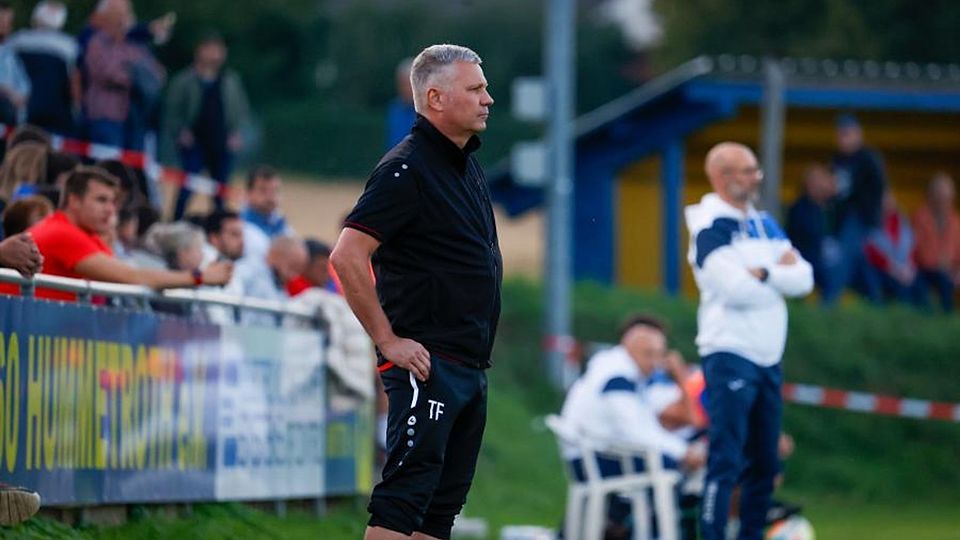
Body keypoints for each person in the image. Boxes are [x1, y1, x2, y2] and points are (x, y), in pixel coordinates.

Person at [330, 44, 499, 540]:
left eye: (484, 87)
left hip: (469, 365)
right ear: (436, 97)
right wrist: (388, 341)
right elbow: (347, 255)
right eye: (475, 89)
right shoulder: (406, 167)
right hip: (428, 362)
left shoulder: (466, 163)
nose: (488, 99)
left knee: (439, 511)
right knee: (402, 504)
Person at [684, 142, 813, 540]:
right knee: (726, 458)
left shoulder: (763, 223)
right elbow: (733, 288)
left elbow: (805, 278)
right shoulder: (710, 225)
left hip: (768, 355)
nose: (756, 177)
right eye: (747, 170)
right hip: (730, 353)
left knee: (766, 461)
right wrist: (778, 275)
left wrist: (765, 273)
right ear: (722, 176)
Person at [559, 315, 706, 539]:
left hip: (596, 453)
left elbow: (645, 425)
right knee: (670, 467)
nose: (656, 363)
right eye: (650, 354)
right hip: (596, 458)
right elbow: (635, 431)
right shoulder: (617, 376)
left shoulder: (617, 370)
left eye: (659, 355)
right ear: (631, 347)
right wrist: (682, 451)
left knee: (672, 461)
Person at [15, 166, 231, 301]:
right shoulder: (62, 233)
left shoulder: (87, 235)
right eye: (101, 200)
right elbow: (134, 278)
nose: (111, 209)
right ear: (74, 201)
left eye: (113, 202)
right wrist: (200, 277)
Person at [165, 31, 251, 219]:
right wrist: (180, 132)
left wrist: (236, 133)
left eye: (218, 50)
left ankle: (220, 229)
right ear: (200, 51)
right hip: (194, 143)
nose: (215, 55)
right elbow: (172, 110)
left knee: (220, 193)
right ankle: (174, 222)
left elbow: (240, 109)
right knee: (187, 188)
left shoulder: (230, 80)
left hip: (221, 144)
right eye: (211, 49)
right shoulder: (185, 80)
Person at [83, 0, 164, 148]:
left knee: (132, 165)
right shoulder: (97, 42)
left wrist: (137, 75)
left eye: (126, 14)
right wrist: (134, 77)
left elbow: (156, 74)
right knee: (108, 163)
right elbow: (106, 72)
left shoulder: (136, 45)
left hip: (134, 117)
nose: (124, 19)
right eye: (119, 14)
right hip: (106, 115)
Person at [828, 114, 887, 304]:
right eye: (840, 134)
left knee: (843, 259)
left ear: (857, 134)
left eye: (847, 133)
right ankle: (876, 303)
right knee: (861, 263)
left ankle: (829, 301)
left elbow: (879, 190)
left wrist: (873, 219)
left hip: (861, 218)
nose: (842, 138)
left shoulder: (868, 158)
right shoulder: (837, 159)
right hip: (843, 220)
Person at [7, 1, 78, 134]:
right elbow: (73, 82)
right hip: (56, 113)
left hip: (21, 109)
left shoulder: (17, 41)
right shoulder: (68, 47)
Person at [785, 164, 839, 296]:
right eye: (817, 182)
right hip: (809, 257)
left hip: (831, 256)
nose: (821, 185)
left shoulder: (832, 207)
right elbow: (807, 240)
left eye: (823, 181)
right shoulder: (799, 209)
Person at [912, 173, 960, 312]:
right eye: (940, 195)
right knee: (942, 280)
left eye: (947, 195)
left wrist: (957, 269)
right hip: (924, 270)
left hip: (949, 270)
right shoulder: (921, 217)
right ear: (931, 196)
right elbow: (923, 255)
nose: (944, 200)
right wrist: (945, 266)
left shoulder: (955, 221)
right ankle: (946, 315)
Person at [864, 191, 920, 305]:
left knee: (919, 289)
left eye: (890, 199)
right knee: (901, 289)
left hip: (906, 270)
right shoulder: (871, 222)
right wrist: (895, 269)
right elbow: (871, 251)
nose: (888, 203)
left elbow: (912, 247)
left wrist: (911, 267)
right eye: (884, 200)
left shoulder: (902, 221)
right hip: (882, 269)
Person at [240, 165, 294, 262]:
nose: (270, 197)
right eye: (263, 190)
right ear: (248, 193)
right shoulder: (240, 229)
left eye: (275, 191)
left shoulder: (281, 224)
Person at [0, 1, 30, 126]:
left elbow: (22, 81)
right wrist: (10, 93)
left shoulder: (9, 50)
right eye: (3, 21)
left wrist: (21, 96)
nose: (8, 26)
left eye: (8, 21)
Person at [386, 57, 416, 149]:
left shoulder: (429, 111)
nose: (404, 88)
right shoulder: (394, 108)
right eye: (401, 84)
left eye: (407, 84)